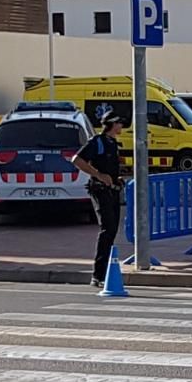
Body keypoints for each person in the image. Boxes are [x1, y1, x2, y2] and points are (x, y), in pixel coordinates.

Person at [72, 111, 124, 287]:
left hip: (112, 190)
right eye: (119, 122)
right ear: (112, 124)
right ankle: (98, 274)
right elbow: (77, 160)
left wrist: (117, 179)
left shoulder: (113, 143)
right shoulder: (97, 142)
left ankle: (106, 271)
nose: (122, 126)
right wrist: (99, 175)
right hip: (100, 190)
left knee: (113, 230)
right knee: (107, 229)